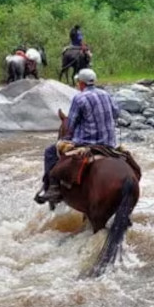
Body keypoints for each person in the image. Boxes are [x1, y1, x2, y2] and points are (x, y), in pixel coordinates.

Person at [35, 68, 119, 205]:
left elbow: (70, 125)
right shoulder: (105, 94)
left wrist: (67, 137)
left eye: (78, 82)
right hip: (109, 143)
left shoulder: (79, 98)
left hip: (87, 143)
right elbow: (116, 114)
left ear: (81, 83)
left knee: (50, 151)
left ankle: (53, 188)